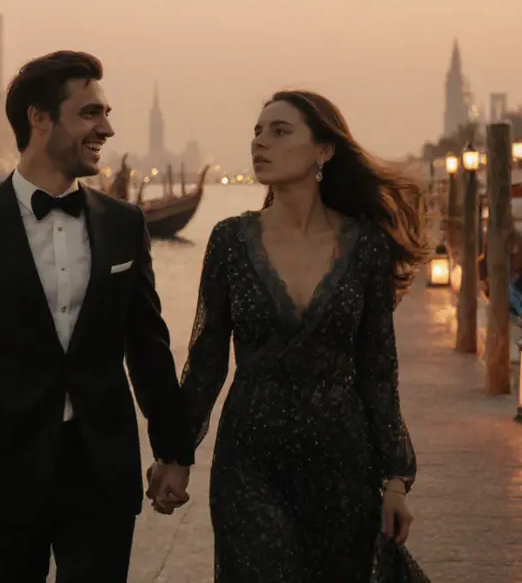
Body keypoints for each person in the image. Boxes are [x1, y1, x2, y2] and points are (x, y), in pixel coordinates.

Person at [0, 50, 194, 582]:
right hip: (3, 476)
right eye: (91, 113)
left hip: (102, 476)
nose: (107, 128)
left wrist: (172, 451)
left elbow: (148, 348)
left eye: (106, 113)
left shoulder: (124, 222)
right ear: (38, 118)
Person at [153, 90, 432, 581]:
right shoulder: (229, 242)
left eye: (280, 132)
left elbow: (378, 371)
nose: (261, 143)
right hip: (250, 461)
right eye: (257, 132)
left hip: (343, 459)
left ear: (324, 150)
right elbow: (207, 361)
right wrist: (176, 456)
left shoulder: (365, 246)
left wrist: (395, 480)